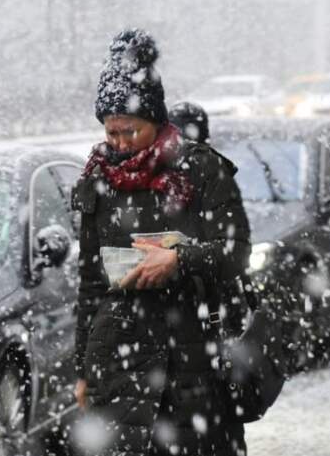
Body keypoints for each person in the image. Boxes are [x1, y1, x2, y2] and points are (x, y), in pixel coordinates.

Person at [72, 29, 251, 455]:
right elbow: (90, 283)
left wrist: (179, 260)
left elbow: (235, 253)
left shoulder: (201, 169)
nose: (118, 144)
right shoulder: (98, 178)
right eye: (110, 132)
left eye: (129, 131)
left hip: (194, 357)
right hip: (120, 361)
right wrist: (84, 370)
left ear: (155, 119)